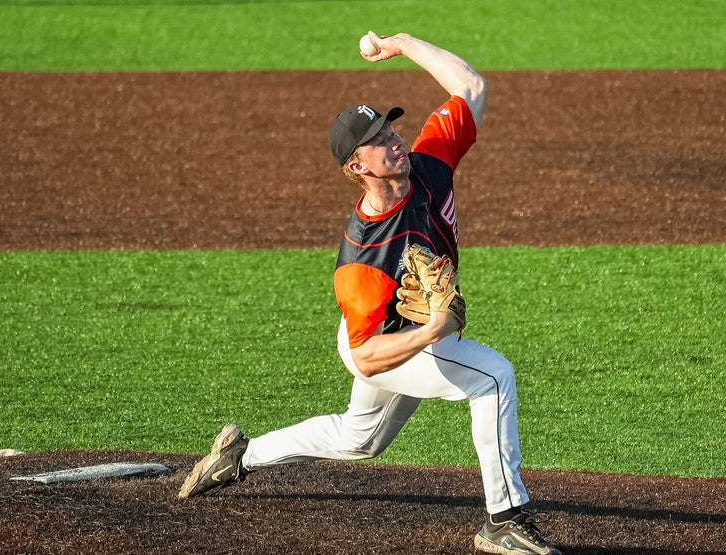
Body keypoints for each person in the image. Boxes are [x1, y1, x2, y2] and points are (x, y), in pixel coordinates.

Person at [178, 31, 562, 555]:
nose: (394, 140)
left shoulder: (430, 165)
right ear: (357, 167)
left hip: (410, 333)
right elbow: (366, 356)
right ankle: (503, 521)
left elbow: (471, 85)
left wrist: (404, 44)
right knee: (493, 378)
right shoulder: (362, 258)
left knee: (361, 440)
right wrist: (433, 329)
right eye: (379, 140)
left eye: (390, 128)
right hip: (382, 342)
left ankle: (239, 457)